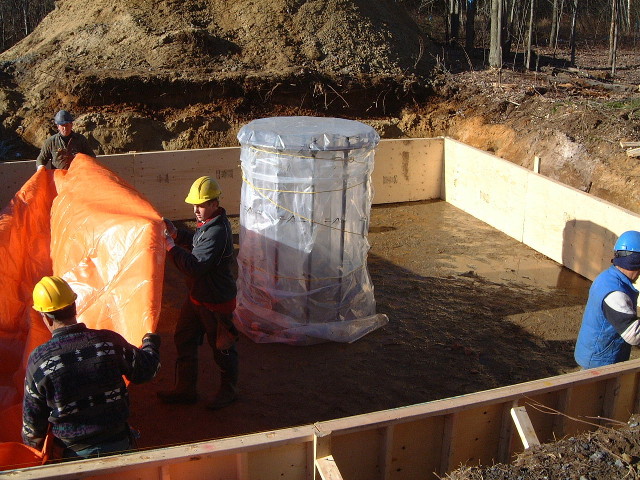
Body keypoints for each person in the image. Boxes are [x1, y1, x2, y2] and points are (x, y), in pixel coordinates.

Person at [22, 276, 161, 460]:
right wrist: (150, 342)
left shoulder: (40, 360)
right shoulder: (108, 342)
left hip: (73, 457)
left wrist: (34, 453)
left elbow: (32, 429)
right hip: (119, 446)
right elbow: (147, 370)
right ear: (74, 306)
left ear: (46, 318)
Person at [157, 176, 239, 410]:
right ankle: (185, 388)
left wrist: (171, 247)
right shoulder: (210, 225)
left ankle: (229, 389)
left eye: (201, 205)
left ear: (214, 203)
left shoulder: (217, 232)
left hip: (215, 302)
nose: (196, 210)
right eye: (194, 205)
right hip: (199, 298)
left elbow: (195, 265)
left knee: (222, 347)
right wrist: (177, 234)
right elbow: (196, 241)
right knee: (184, 338)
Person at [574, 230, 640, 369]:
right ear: (635, 262)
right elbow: (633, 334)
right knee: (598, 391)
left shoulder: (607, 277)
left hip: (595, 353)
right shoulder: (616, 293)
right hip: (600, 362)